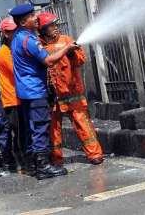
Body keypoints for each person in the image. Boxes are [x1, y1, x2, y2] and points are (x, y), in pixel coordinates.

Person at [10, 4, 76, 180]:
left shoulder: (17, 37)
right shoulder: (29, 40)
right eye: (32, 16)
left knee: (31, 128)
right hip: (35, 91)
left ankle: (32, 165)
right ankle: (44, 166)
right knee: (40, 127)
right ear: (24, 21)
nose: (36, 18)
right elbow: (48, 61)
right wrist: (66, 48)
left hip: (24, 91)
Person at [38, 11, 104, 166]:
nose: (55, 28)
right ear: (42, 29)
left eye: (56, 25)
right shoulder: (38, 46)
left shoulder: (67, 40)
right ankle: (56, 159)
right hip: (52, 97)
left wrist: (73, 52)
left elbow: (81, 60)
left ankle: (95, 154)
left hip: (72, 93)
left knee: (83, 124)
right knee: (53, 131)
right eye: (51, 26)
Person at [0, 17, 31, 175]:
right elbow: (19, 70)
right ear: (4, 33)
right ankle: (23, 163)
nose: (14, 33)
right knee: (19, 133)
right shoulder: (4, 53)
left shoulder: (12, 49)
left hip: (19, 97)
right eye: (10, 31)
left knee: (23, 131)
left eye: (15, 29)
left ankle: (25, 162)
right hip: (12, 100)